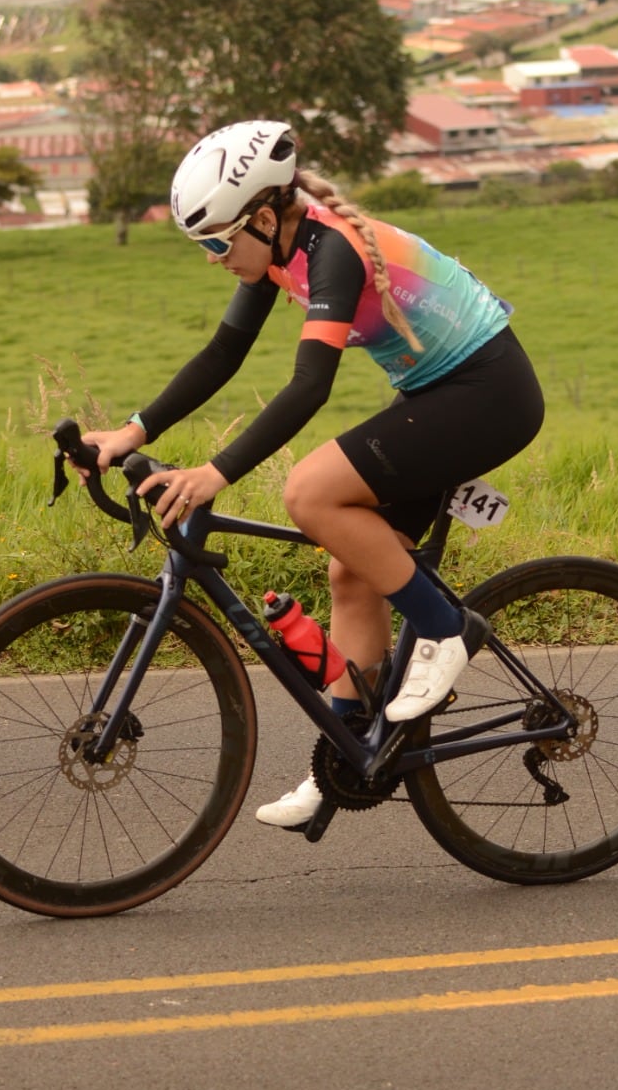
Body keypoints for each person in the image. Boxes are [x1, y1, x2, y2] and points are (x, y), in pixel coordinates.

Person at [81, 120, 545, 828]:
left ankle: (446, 629)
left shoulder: (333, 250)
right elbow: (223, 354)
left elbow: (308, 387)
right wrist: (133, 431)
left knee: (310, 492)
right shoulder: (278, 251)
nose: (211, 259)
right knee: (351, 570)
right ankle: (348, 759)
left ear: (265, 219)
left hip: (488, 395)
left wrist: (216, 472)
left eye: (216, 242)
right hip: (438, 394)